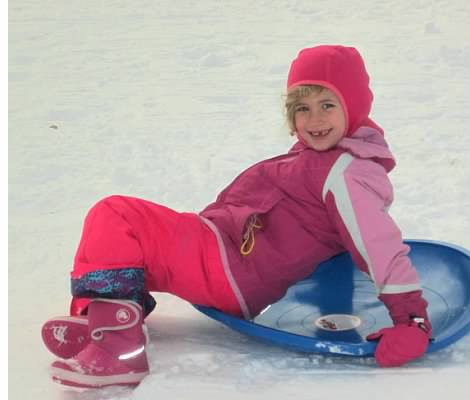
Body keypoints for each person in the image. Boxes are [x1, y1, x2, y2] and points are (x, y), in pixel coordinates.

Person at [41, 45, 431, 388]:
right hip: (227, 258)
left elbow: (376, 243)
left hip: (230, 266)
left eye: (327, 105)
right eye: (302, 108)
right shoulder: (324, 160)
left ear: (354, 106)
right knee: (127, 248)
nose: (314, 120)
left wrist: (411, 319)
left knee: (116, 215)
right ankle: (105, 317)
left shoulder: (345, 173)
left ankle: (117, 349)